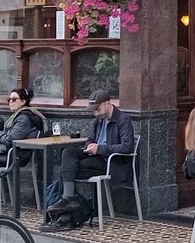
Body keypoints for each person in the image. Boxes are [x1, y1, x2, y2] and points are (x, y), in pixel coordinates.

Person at [43, 89, 134, 231]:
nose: (95, 112)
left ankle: (65, 216)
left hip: (110, 163)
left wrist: (100, 149)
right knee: (68, 152)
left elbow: (127, 147)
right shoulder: (98, 120)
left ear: (108, 104)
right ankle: (68, 204)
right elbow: (90, 139)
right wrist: (89, 147)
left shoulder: (123, 120)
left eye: (97, 108)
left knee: (67, 170)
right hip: (95, 157)